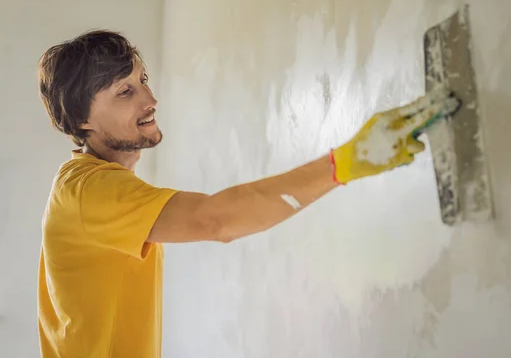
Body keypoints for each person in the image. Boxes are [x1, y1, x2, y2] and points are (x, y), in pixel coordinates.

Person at [36, 30, 451, 357]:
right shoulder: (89, 189)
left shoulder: (90, 186)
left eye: (142, 80)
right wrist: (343, 163)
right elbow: (216, 219)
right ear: (81, 119)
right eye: (125, 92)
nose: (150, 99)